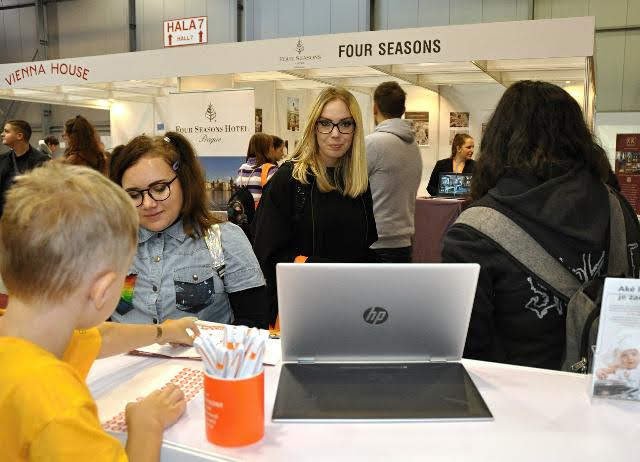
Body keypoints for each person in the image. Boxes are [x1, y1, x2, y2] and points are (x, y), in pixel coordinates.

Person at [0, 162, 199, 461]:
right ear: (103, 289)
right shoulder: (57, 403)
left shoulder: (25, 340)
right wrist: (147, 425)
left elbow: (100, 336)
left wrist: (164, 331)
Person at [442, 80, 640, 370]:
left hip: (516, 405)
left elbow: (463, 355)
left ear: (498, 139)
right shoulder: (618, 208)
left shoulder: (474, 232)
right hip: (610, 399)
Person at [110, 131, 269, 328]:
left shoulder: (225, 240)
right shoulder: (108, 247)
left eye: (159, 189)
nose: (148, 204)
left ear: (184, 181)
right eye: (134, 195)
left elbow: (253, 324)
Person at [252, 86, 378, 325]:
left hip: (351, 307)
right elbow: (265, 256)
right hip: (301, 309)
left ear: (355, 130)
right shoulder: (289, 180)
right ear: (313, 127)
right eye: (325, 123)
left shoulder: (357, 181)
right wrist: (323, 268)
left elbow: (363, 248)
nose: (335, 134)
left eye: (345, 124)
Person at [366, 81, 422, 263]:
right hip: (404, 243)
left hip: (375, 244)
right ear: (403, 108)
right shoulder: (413, 145)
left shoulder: (372, 144)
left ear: (374, 108)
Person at [0, 119, 50, 217]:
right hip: (4, 218)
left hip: (28, 218)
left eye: (6, 131)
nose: (2, 134)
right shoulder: (2, 159)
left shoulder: (42, 161)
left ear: (19, 136)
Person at [235, 133, 278, 203]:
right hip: (261, 213)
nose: (273, 150)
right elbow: (275, 197)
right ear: (265, 149)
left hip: (243, 212)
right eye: (272, 146)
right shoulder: (271, 169)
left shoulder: (242, 168)